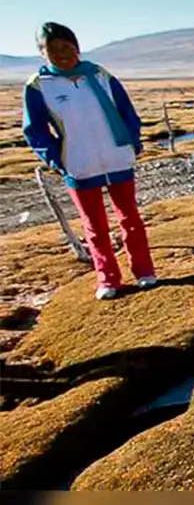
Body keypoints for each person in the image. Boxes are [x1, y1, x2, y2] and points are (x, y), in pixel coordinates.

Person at [22, 22, 157, 300]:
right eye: (53, 48)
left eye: (67, 46)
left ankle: (144, 271)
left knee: (130, 217)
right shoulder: (38, 87)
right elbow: (35, 130)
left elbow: (127, 113)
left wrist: (132, 143)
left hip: (117, 158)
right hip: (79, 165)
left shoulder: (100, 75)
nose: (62, 53)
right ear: (42, 53)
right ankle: (108, 278)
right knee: (94, 226)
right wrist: (58, 160)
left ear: (77, 47)